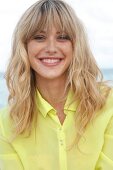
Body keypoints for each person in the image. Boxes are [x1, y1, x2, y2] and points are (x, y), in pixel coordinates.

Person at [0, 0, 113, 169]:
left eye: (62, 37)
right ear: (25, 47)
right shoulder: (6, 122)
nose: (51, 48)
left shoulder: (108, 103)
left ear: (76, 46)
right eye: (39, 37)